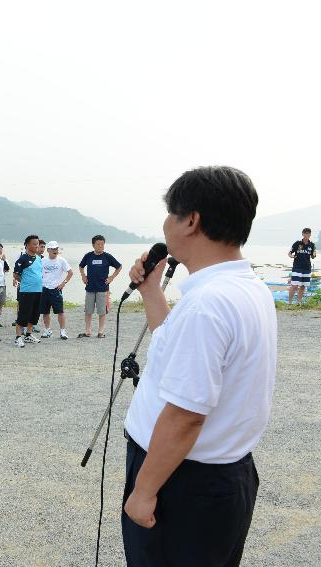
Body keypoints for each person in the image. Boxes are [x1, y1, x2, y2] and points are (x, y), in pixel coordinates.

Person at [122, 166, 275, 566]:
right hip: (220, 476)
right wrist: (152, 291)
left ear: (191, 220)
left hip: (183, 480)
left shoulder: (208, 304)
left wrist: (144, 491)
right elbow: (175, 346)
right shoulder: (246, 288)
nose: (165, 225)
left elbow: (186, 415)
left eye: (171, 214)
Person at [78, 235, 122, 338]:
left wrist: (111, 277)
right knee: (88, 311)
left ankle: (100, 332)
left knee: (102, 311)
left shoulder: (107, 256)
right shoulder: (88, 256)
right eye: (98, 244)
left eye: (102, 244)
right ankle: (88, 331)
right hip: (90, 287)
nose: (100, 246)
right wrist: (83, 276)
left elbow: (119, 267)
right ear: (93, 245)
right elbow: (81, 266)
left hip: (102, 288)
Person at [13, 235, 43, 347]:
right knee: (23, 314)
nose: (37, 246)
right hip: (26, 291)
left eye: (38, 244)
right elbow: (16, 275)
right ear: (27, 245)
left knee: (35, 314)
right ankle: (18, 337)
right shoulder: (22, 259)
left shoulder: (39, 259)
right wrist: (27, 282)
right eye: (34, 243)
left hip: (38, 290)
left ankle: (29, 334)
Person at [39, 241, 73, 340]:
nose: (55, 251)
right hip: (44, 288)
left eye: (56, 249)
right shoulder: (42, 261)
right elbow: (37, 273)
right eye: (53, 249)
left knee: (60, 311)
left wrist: (63, 283)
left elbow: (70, 272)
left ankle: (62, 331)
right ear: (48, 250)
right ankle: (47, 330)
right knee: (45, 312)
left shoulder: (61, 260)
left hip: (56, 289)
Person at [288, 227, 317, 304]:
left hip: (307, 268)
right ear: (302, 234)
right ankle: (290, 303)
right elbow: (290, 253)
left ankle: (298, 302)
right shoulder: (297, 243)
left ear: (310, 234)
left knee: (303, 286)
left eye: (308, 233)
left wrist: (314, 254)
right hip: (297, 267)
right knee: (294, 285)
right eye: (305, 233)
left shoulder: (312, 245)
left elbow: (313, 256)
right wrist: (291, 256)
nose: (307, 235)